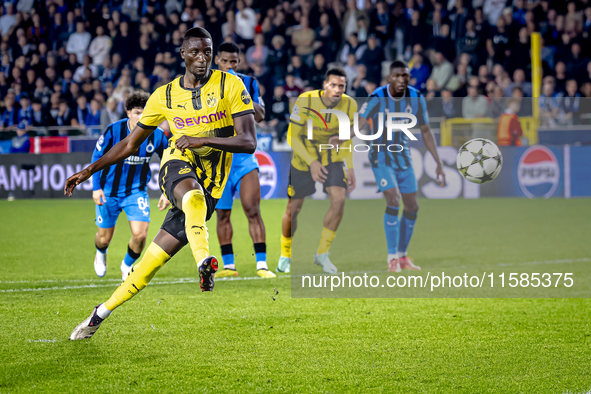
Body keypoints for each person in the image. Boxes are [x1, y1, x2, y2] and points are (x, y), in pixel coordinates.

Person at [66, 27, 257, 340]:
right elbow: (129, 144)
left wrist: (202, 138)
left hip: (214, 181)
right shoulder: (164, 96)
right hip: (177, 165)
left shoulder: (230, 84)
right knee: (192, 197)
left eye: (207, 51)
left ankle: (99, 313)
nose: (202, 58)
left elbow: (249, 141)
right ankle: (204, 263)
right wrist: (89, 170)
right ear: (182, 54)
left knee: (151, 262)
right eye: (195, 51)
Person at [355, 61, 446, 272]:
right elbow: (359, 123)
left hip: (403, 157)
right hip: (380, 156)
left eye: (405, 76)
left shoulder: (416, 98)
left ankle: (403, 256)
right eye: (397, 75)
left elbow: (425, 130)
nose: (402, 79)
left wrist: (438, 163)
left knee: (412, 206)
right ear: (389, 78)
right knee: (393, 198)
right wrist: (340, 138)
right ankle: (392, 257)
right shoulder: (377, 97)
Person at [276, 68, 357, 274]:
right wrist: (312, 162)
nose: (338, 90)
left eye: (342, 86)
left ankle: (322, 254)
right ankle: (285, 254)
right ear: (325, 85)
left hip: (332, 159)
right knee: (293, 210)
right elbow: (292, 137)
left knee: (339, 201)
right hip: (303, 161)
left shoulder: (350, 104)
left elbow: (347, 138)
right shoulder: (306, 101)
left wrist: (351, 167)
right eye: (334, 85)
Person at [91, 91, 169, 280]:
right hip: (109, 191)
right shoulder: (113, 130)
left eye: (145, 112)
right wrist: (96, 187)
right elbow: (97, 157)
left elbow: (169, 160)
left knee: (140, 235)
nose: (141, 117)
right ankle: (101, 253)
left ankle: (127, 265)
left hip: (136, 191)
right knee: (104, 238)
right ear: (128, 113)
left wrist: (166, 191)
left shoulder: (156, 135)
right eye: (137, 112)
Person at [213, 42, 274, 279]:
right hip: (219, 159)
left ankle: (262, 265)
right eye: (226, 61)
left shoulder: (249, 83)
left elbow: (260, 115)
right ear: (217, 60)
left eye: (234, 61)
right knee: (222, 214)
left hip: (244, 158)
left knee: (252, 208)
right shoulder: (208, 85)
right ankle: (228, 266)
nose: (231, 65)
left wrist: (241, 91)